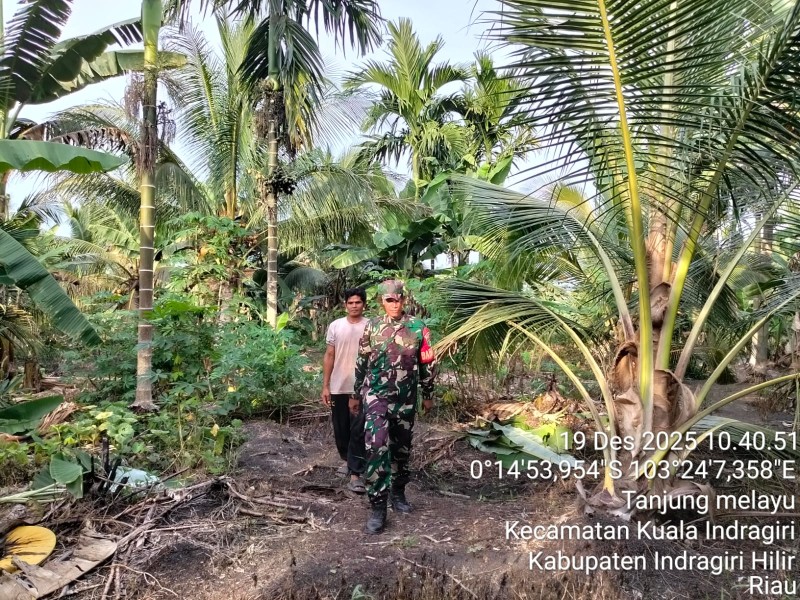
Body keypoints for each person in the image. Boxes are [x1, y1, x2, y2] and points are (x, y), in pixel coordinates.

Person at [353, 279, 437, 534]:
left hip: (405, 399)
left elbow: (428, 362)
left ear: (403, 299)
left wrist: (429, 392)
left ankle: (398, 492)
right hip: (376, 396)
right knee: (376, 445)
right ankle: (378, 506)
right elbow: (362, 360)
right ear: (382, 301)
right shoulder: (372, 327)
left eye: (397, 299)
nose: (393, 303)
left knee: (401, 449)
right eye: (388, 300)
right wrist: (356, 392)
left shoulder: (418, 327)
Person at [321, 287, 369, 493]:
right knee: (341, 429)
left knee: (358, 430)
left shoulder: (371, 326)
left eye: (358, 302)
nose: (354, 306)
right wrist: (325, 385)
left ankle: (356, 473)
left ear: (363, 304)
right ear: (345, 305)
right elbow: (329, 355)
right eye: (350, 303)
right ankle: (347, 460)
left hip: (363, 387)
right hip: (339, 385)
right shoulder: (335, 326)